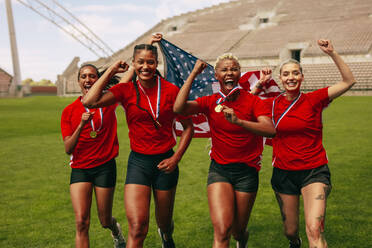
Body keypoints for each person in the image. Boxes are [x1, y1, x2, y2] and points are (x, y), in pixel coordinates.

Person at [81, 35, 194, 248]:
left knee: (164, 223)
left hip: (166, 163)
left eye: (150, 62)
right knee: (137, 227)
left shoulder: (170, 90)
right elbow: (89, 101)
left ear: (156, 63)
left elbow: (188, 127)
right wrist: (113, 71)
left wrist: (176, 158)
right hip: (139, 163)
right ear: (133, 64)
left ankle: (167, 236)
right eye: (140, 62)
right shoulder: (125, 90)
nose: (145, 66)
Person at [173, 54, 276, 248]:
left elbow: (270, 130)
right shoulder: (211, 101)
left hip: (247, 172)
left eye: (234, 69)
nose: (229, 72)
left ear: (239, 73)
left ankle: (242, 240)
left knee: (238, 231)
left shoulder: (254, 101)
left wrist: (239, 122)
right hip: (219, 170)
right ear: (217, 75)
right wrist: (193, 73)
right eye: (224, 69)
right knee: (222, 230)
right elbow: (179, 108)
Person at [263, 39, 356, 248]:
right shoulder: (270, 104)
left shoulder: (314, 99)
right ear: (280, 78)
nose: (291, 77)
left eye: (295, 73)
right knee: (290, 231)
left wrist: (333, 53)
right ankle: (294, 243)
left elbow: (349, 81)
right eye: (286, 74)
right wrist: (258, 84)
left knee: (315, 230)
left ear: (302, 77)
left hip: (314, 172)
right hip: (283, 173)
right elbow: (241, 106)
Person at [60, 64, 127, 248]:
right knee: (81, 222)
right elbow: (68, 148)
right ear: (79, 81)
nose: (87, 80)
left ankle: (116, 231)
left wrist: (149, 43)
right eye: (83, 76)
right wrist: (81, 126)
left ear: (98, 79)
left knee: (105, 220)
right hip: (80, 168)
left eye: (92, 76)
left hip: (105, 167)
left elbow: (128, 79)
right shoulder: (69, 111)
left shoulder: (107, 101)